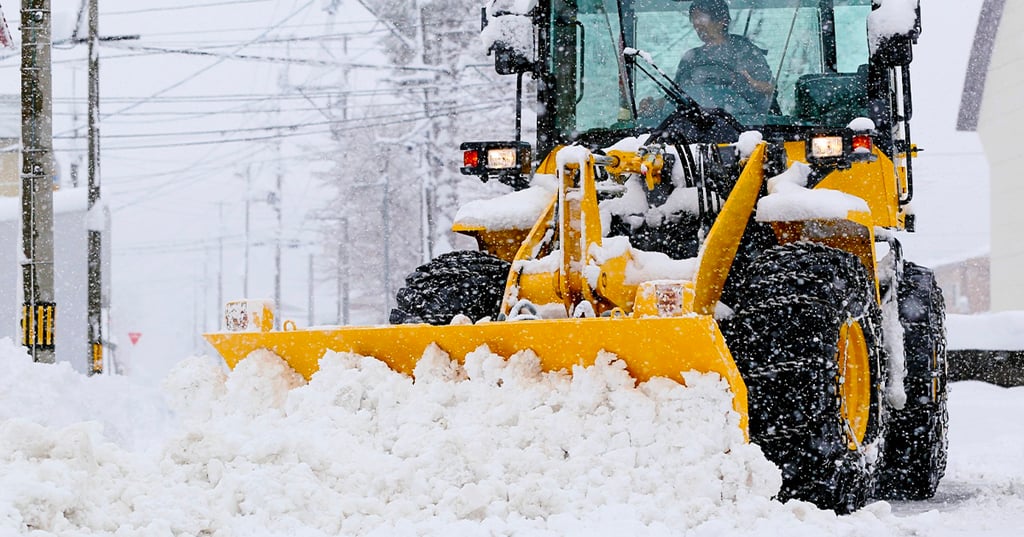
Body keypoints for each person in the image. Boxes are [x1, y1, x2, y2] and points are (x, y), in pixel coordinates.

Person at [674, 0, 774, 114]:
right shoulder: (691, 58)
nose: (697, 25)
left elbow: (770, 89)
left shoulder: (746, 52)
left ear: (722, 20)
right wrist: (655, 105)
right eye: (694, 20)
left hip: (743, 123)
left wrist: (751, 85)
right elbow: (675, 96)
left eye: (701, 19)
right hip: (694, 124)